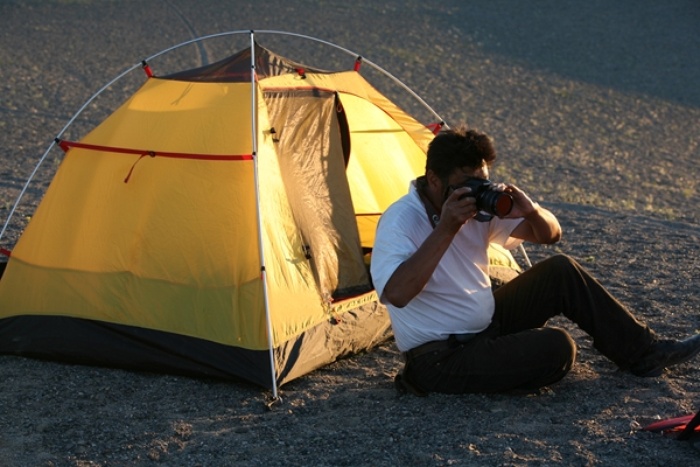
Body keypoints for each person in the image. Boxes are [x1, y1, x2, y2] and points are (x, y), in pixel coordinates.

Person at [370, 125, 700, 395]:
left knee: (561, 270)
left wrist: (532, 212)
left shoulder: (478, 209)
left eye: (481, 183)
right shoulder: (401, 220)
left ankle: (645, 354)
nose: (474, 193)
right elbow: (396, 294)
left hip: (486, 327)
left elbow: (550, 235)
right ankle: (474, 377)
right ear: (434, 180)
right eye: (465, 185)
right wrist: (447, 227)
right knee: (558, 348)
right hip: (441, 358)